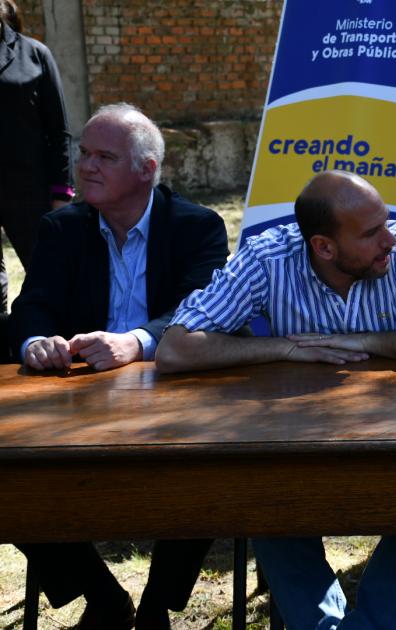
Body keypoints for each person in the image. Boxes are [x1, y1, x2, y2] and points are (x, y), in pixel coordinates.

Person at [155, 169, 396, 629]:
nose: (388, 239)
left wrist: (361, 341)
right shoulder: (269, 257)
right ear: (324, 247)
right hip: (296, 443)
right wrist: (285, 346)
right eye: (371, 233)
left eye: (385, 222)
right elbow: (176, 347)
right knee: (263, 491)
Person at [10, 102, 228, 629]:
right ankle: (101, 595)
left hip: (172, 393)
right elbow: (31, 306)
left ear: (147, 169)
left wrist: (137, 341)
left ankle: (159, 605)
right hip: (75, 399)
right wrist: (37, 341)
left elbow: (202, 311)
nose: (86, 166)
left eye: (105, 156)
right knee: (11, 477)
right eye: (83, 153)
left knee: (211, 469)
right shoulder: (61, 228)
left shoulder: (198, 226)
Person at [0, 0, 74, 314]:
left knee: (51, 279)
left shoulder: (34, 54)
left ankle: (63, 345)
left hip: (29, 191)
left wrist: (62, 195)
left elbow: (60, 131)